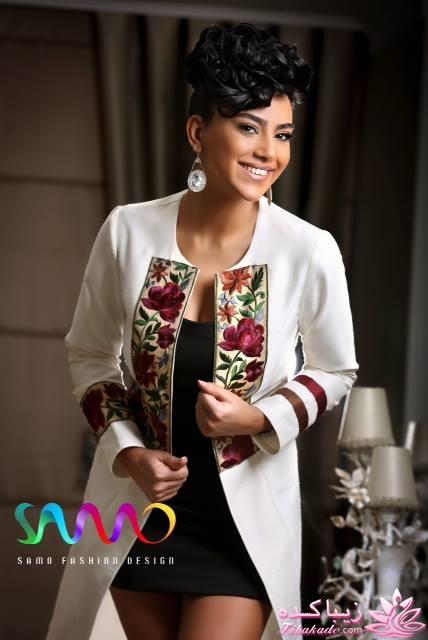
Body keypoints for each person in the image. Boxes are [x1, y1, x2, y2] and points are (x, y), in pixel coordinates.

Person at [46, 22, 359, 640]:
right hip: (144, 518)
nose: (269, 152)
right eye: (248, 127)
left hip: (243, 527)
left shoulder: (307, 249)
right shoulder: (128, 231)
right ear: (198, 133)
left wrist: (259, 417)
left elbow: (335, 368)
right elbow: (90, 354)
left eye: (283, 134)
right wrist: (128, 452)